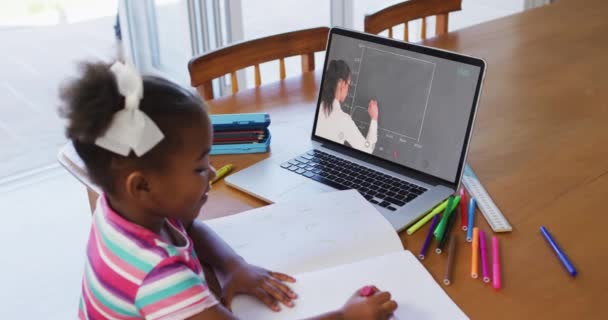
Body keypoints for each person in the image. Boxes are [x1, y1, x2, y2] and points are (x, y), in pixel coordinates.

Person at [60, 60, 398, 319]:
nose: (210, 172)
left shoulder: (124, 209)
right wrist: (344, 316)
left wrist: (233, 266)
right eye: (197, 167)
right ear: (143, 185)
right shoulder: (159, 279)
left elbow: (189, 229)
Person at [316, 59, 379, 154]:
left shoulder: (317, 106)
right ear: (341, 83)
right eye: (348, 85)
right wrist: (374, 118)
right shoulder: (343, 120)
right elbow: (367, 150)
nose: (347, 90)